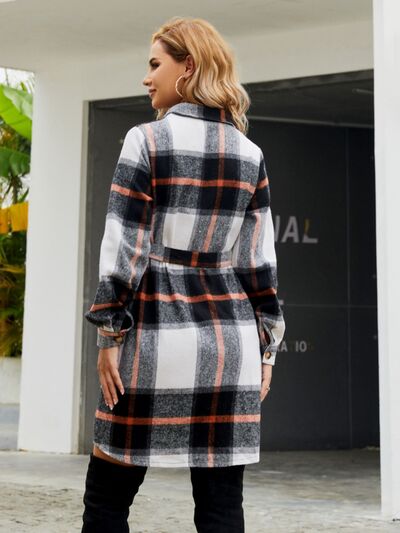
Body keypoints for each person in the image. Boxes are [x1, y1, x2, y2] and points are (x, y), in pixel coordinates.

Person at [81, 15, 286, 533]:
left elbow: (125, 246)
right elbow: (258, 262)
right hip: (229, 343)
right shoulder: (250, 154)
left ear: (188, 66)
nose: (146, 77)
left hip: (155, 335)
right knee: (221, 508)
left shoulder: (145, 140)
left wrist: (109, 335)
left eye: (155, 64)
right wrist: (266, 347)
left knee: (106, 500)